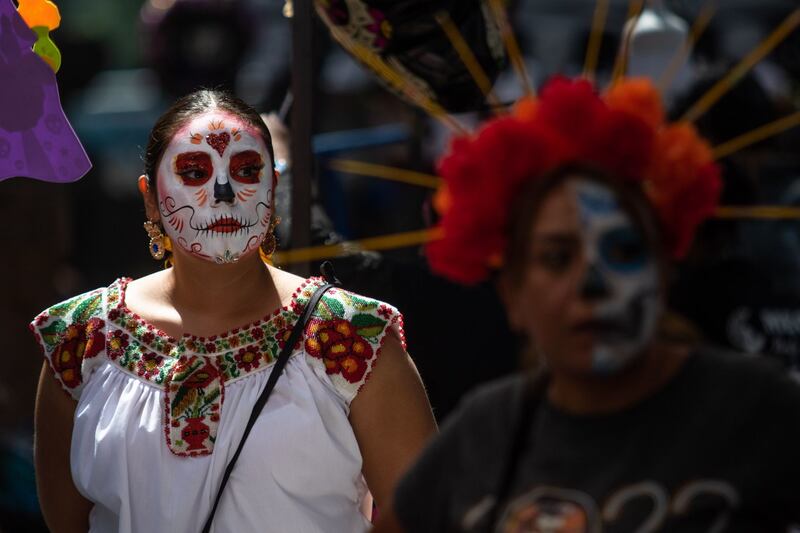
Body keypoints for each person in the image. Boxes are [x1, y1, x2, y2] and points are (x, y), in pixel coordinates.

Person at [374, 77, 800, 532]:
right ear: (514, 296)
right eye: (557, 258)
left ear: (662, 272)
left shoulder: (755, 408)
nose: (591, 283)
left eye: (622, 252)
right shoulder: (485, 430)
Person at [31, 89, 436, 533]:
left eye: (246, 170)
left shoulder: (354, 337)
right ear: (150, 198)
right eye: (193, 172)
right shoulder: (80, 341)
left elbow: (426, 516)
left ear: (273, 186)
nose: (223, 192)